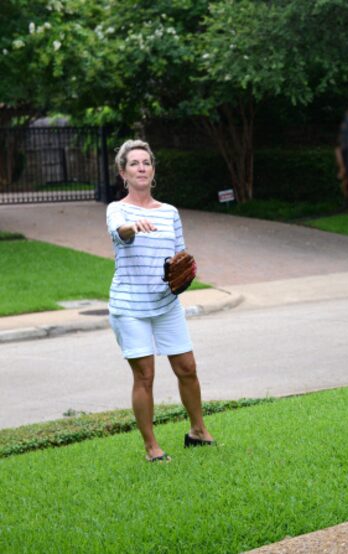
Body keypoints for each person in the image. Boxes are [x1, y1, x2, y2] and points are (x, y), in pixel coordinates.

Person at [106, 139, 214, 462]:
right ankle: (152, 448)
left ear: (153, 171)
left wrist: (183, 273)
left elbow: (179, 254)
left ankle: (198, 431)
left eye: (146, 163)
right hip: (130, 306)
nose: (141, 167)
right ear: (123, 172)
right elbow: (119, 232)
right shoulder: (118, 210)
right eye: (134, 163)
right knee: (145, 375)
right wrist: (132, 227)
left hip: (166, 303)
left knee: (187, 368)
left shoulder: (170, 213)